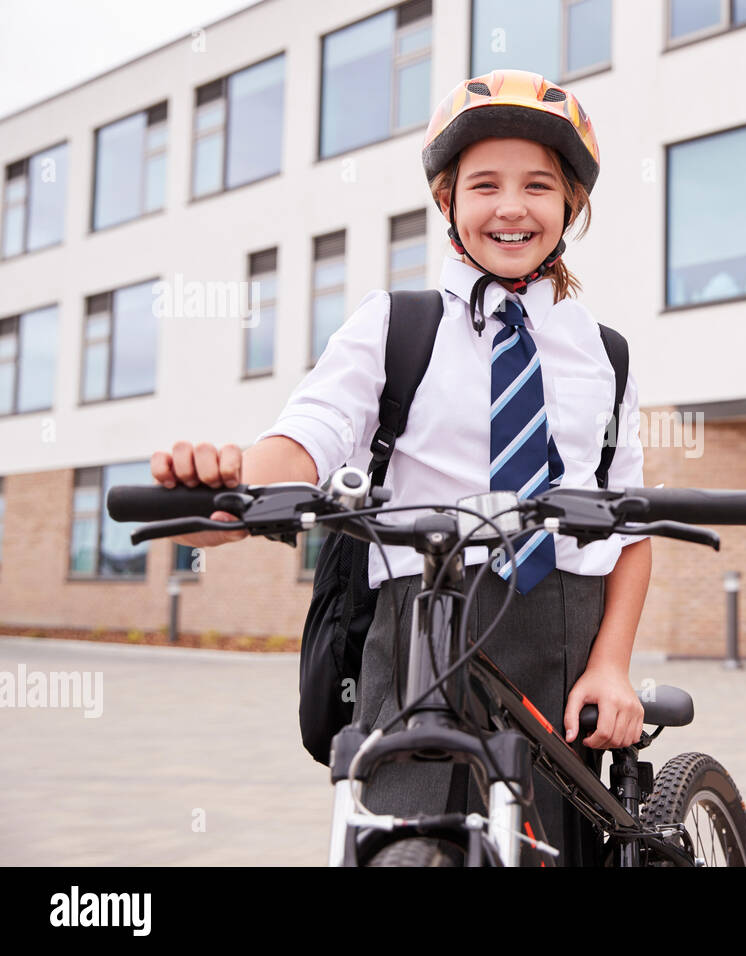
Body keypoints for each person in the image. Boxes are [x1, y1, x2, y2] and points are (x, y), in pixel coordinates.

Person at [149, 69, 652, 866]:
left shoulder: (605, 354)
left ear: (570, 207)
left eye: (539, 186)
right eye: (484, 184)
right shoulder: (394, 327)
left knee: (558, 848)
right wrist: (231, 487)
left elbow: (627, 526)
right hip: (422, 624)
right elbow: (306, 438)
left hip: (565, 634)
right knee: (401, 836)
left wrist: (613, 666)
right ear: (448, 201)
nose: (512, 207)